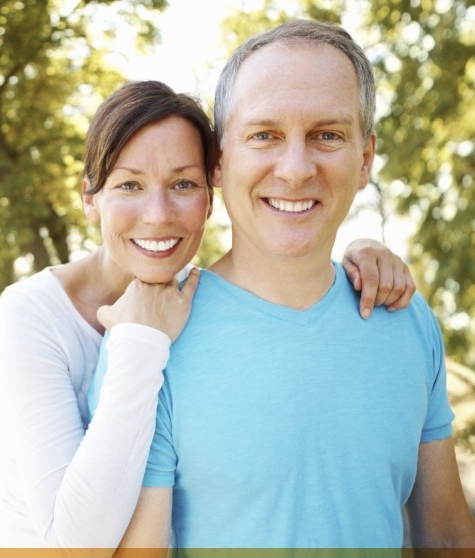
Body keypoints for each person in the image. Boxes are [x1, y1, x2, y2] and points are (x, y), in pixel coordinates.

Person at [0, 79, 414, 549]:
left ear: (211, 195)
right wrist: (140, 343)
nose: (158, 214)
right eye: (129, 185)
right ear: (90, 198)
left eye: (183, 184)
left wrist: (361, 250)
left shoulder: (196, 300)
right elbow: (74, 544)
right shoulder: (31, 314)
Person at [110, 21, 475, 551]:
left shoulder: (406, 317)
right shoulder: (151, 343)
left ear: (366, 158)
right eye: (265, 135)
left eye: (327, 135)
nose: (296, 169)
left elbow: (445, 536)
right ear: (218, 159)